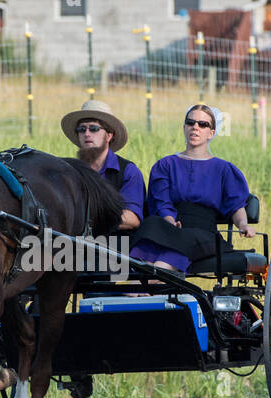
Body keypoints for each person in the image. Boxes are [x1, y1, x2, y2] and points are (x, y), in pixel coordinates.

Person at [129, 104, 253, 272]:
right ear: (184, 128)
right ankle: (138, 284)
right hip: (171, 225)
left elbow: (235, 205)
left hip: (204, 232)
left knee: (182, 241)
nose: (195, 127)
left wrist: (243, 224)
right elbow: (161, 201)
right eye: (191, 122)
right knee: (151, 224)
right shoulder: (165, 165)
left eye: (203, 124)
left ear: (211, 132)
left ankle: (155, 277)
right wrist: (170, 221)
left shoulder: (224, 169)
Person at [60, 100, 145, 232]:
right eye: (81, 129)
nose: (87, 133)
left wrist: (84, 219)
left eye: (93, 128)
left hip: (115, 244)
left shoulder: (128, 171)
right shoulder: (69, 170)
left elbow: (132, 218)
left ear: (109, 136)